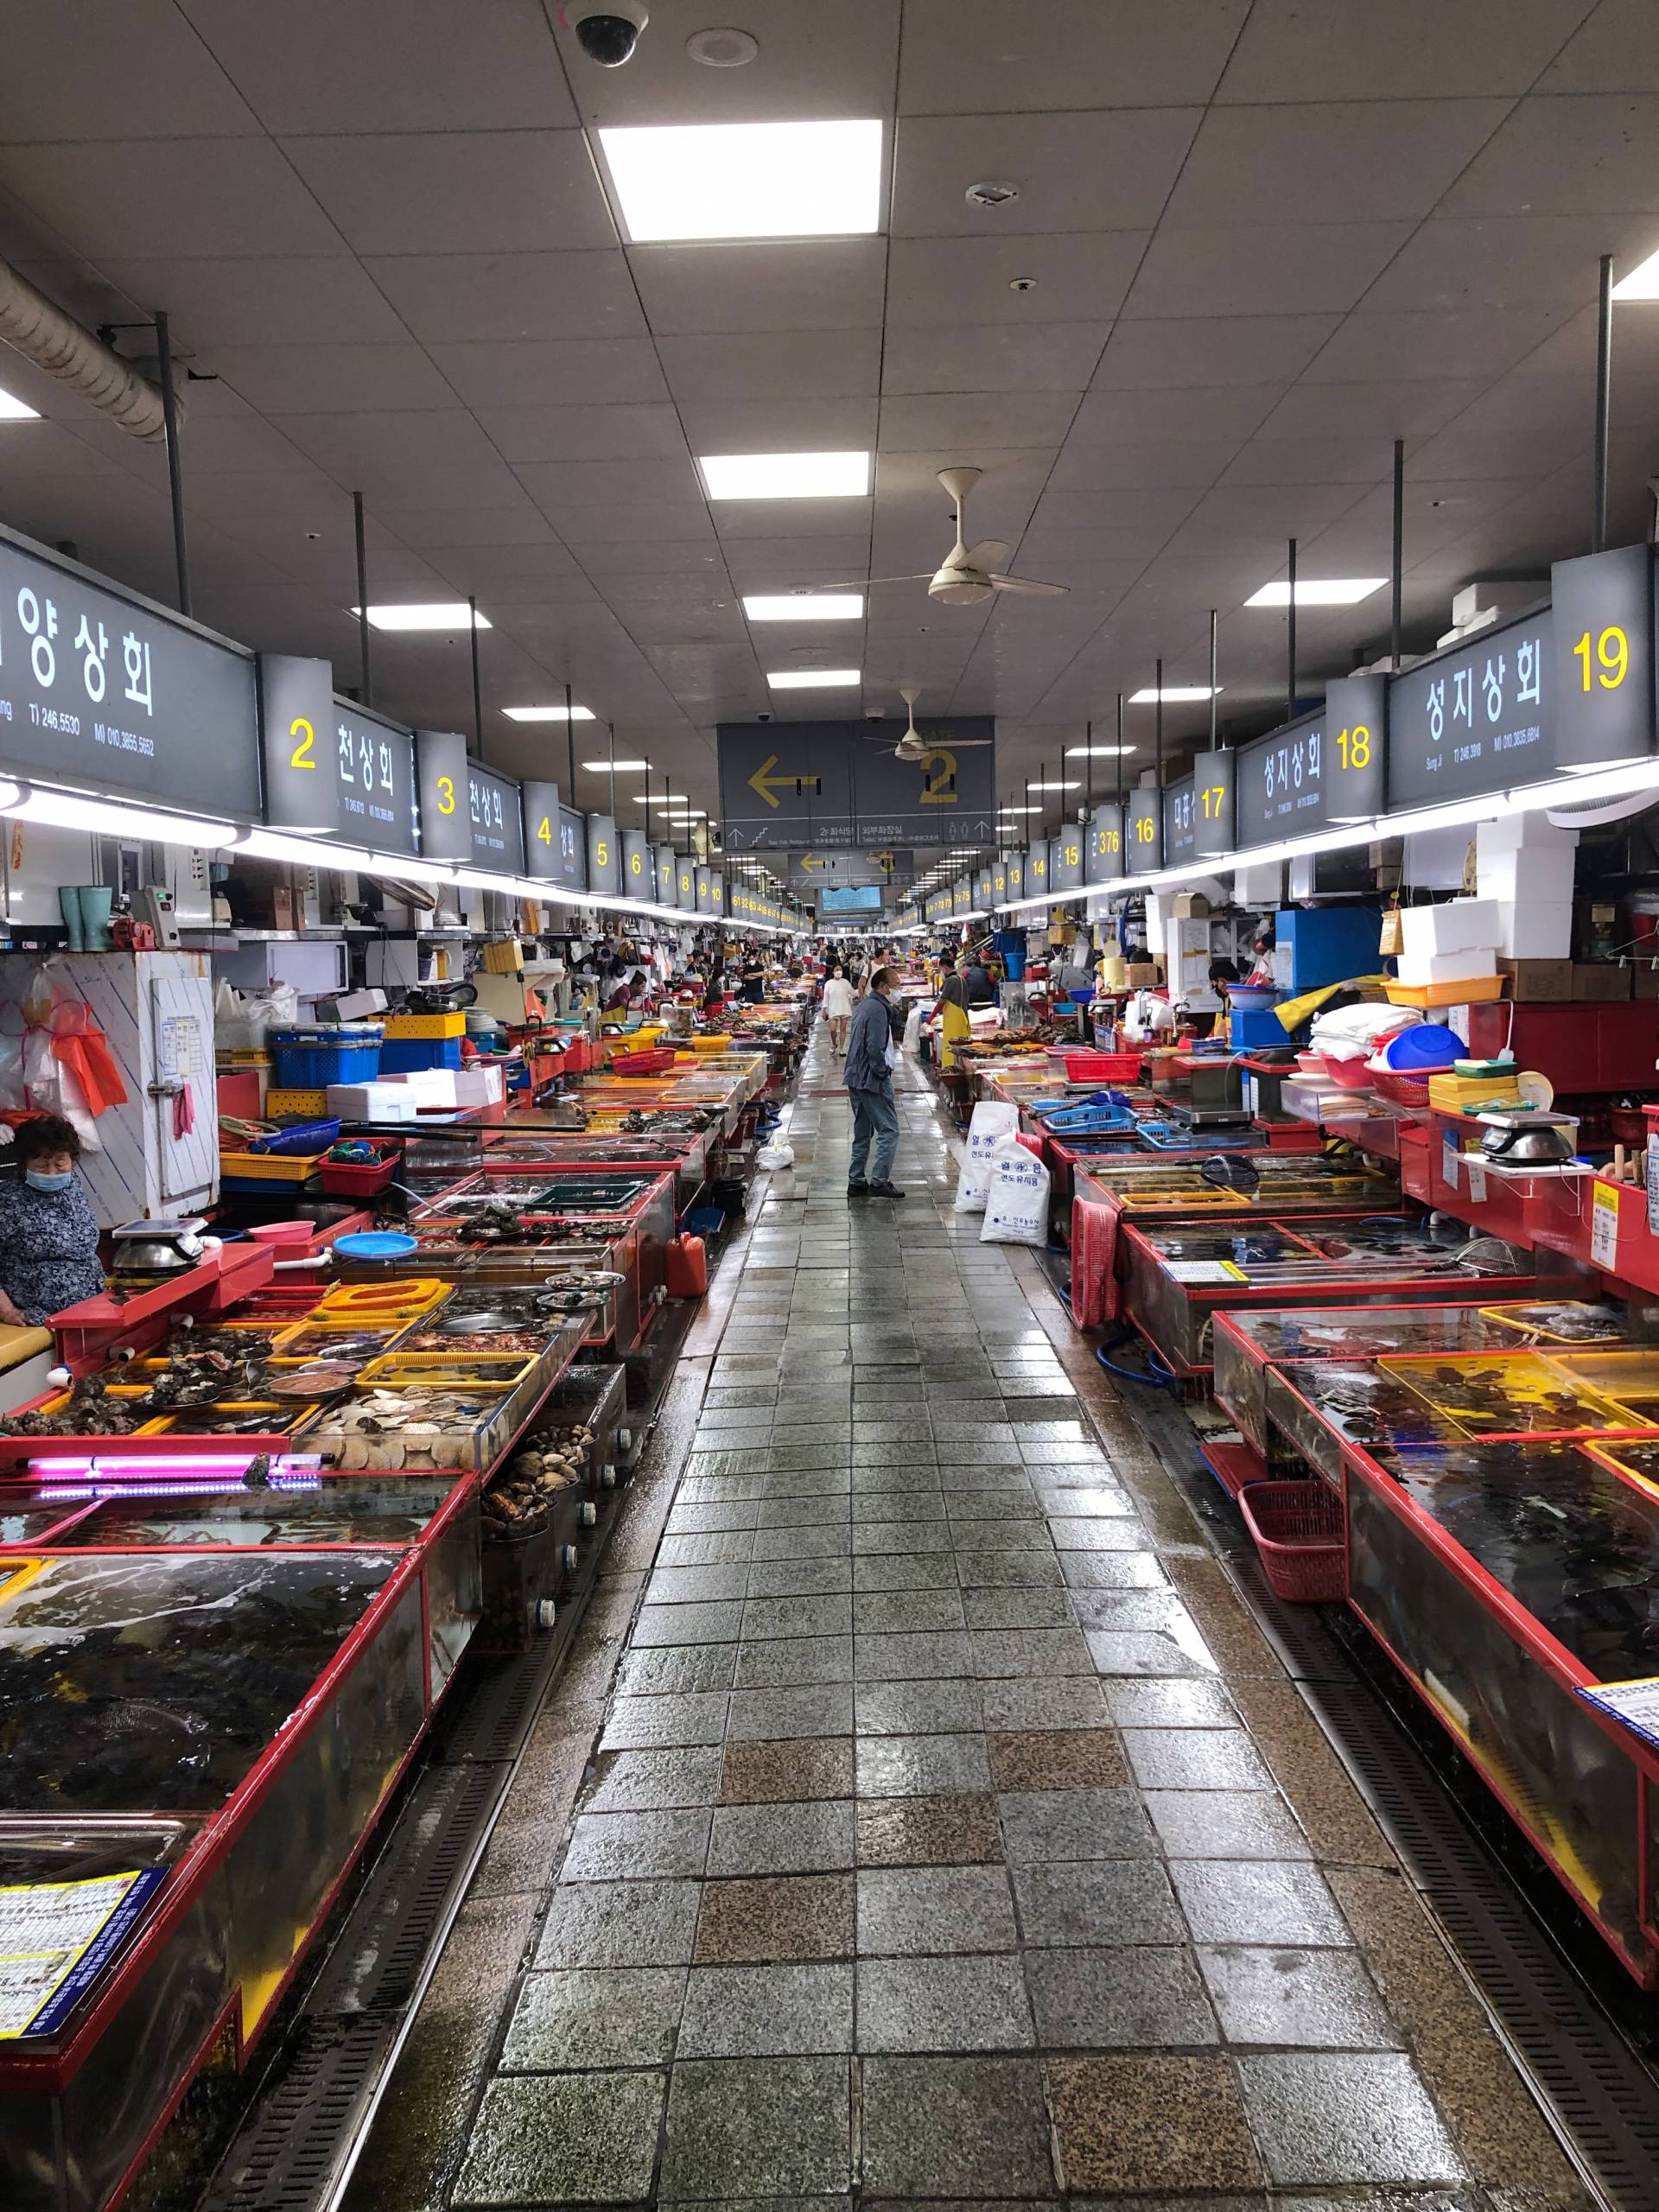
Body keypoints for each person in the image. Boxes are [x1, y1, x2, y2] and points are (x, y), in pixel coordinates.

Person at [0, 1114, 105, 1326]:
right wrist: (7, 1312)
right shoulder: (7, 1199)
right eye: (41, 1165)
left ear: (72, 1161)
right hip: (44, 1313)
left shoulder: (71, 1187)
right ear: (23, 1164)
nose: (51, 1172)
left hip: (92, 1301)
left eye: (60, 1163)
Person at [843, 967, 904, 1201]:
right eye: (896, 984)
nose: (899, 989)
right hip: (870, 1078)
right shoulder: (878, 1009)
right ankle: (879, 1181)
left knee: (862, 1132)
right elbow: (875, 1047)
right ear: (883, 987)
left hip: (855, 1076)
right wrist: (882, 1073)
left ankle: (856, 1181)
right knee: (890, 1131)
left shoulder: (865, 1005)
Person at [936, 950, 970, 1069]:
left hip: (953, 1021)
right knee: (962, 1045)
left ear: (945, 967)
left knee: (951, 1045)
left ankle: (951, 1067)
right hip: (963, 1017)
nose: (941, 972)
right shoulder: (961, 978)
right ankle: (963, 1068)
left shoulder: (950, 980)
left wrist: (932, 1015)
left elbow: (942, 1000)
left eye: (941, 969)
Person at [822, 961, 855, 1055]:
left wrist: (862, 990)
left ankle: (842, 1049)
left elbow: (853, 993)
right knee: (833, 1030)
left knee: (843, 1029)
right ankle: (833, 1044)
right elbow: (826, 997)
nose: (839, 971)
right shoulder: (828, 983)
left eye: (840, 969)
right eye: (837, 970)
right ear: (833, 972)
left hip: (844, 1008)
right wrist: (825, 1009)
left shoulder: (845, 982)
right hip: (833, 1009)